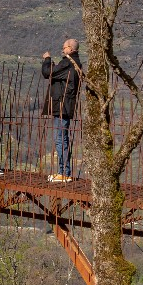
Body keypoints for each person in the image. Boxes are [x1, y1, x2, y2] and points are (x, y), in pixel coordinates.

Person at [40, 39, 81, 182]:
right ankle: (64, 172)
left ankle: (64, 173)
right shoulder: (74, 64)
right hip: (65, 105)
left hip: (62, 106)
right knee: (62, 139)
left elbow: (47, 73)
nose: (62, 50)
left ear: (71, 49)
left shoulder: (67, 63)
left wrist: (47, 59)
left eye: (64, 47)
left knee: (61, 140)